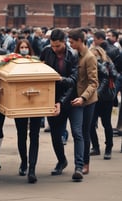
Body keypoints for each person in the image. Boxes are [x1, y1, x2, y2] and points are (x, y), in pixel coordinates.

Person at [40, 28, 85, 181]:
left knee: (77, 132)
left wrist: (59, 79)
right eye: (52, 45)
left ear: (64, 42)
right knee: (55, 134)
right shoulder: (46, 51)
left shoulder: (73, 55)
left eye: (58, 46)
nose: (55, 49)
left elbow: (73, 80)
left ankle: (79, 166)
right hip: (52, 98)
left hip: (72, 99)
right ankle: (61, 161)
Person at [68, 28, 98, 175]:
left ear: (80, 41)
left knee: (84, 132)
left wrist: (84, 97)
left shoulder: (89, 57)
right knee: (77, 132)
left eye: (72, 41)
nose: (70, 44)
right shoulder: (74, 55)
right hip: (75, 99)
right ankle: (79, 164)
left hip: (87, 100)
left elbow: (93, 82)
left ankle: (84, 164)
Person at [13, 39, 43, 183]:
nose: (24, 49)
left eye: (26, 47)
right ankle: (24, 161)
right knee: (21, 134)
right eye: (21, 47)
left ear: (29, 49)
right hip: (20, 102)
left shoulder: (36, 62)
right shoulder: (12, 62)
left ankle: (32, 168)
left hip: (36, 101)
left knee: (35, 135)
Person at [89, 46, 118, 159]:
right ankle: (95, 147)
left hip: (105, 98)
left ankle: (108, 148)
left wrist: (100, 64)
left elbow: (112, 76)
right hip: (93, 98)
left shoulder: (108, 64)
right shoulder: (90, 64)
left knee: (106, 123)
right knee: (91, 124)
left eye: (95, 55)